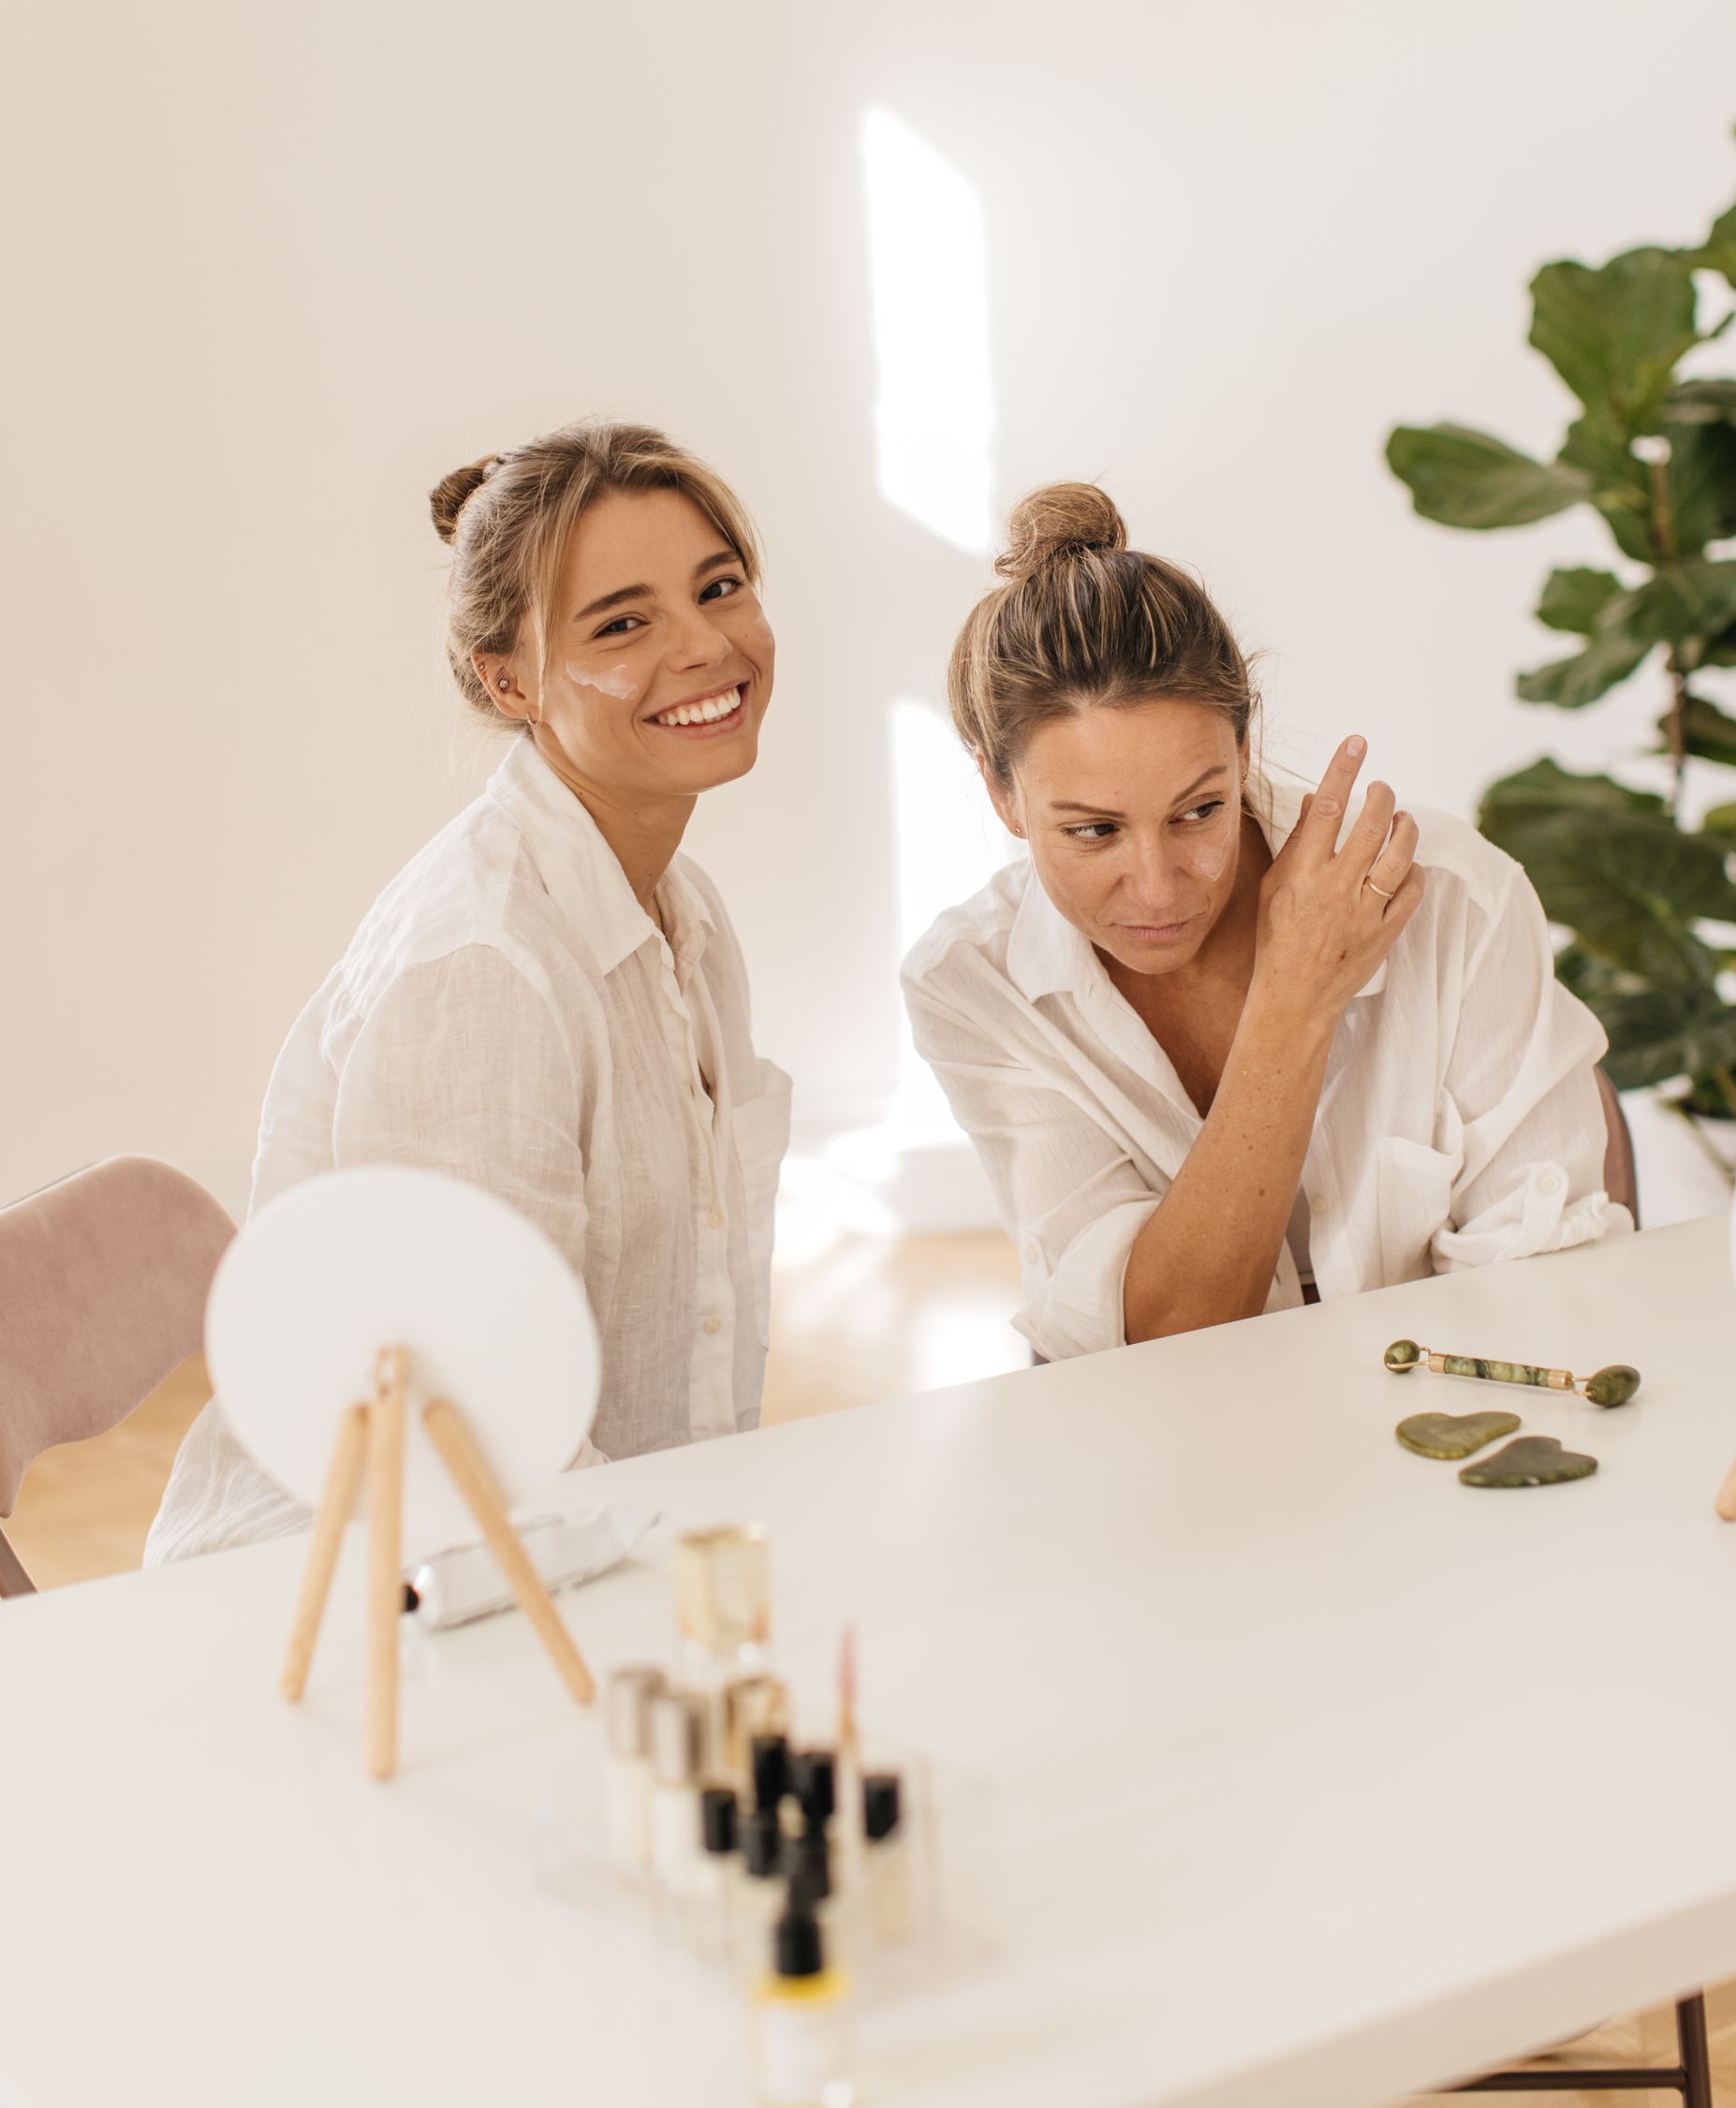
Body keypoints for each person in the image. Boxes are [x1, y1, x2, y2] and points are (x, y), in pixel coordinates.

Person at [147, 420, 789, 1559]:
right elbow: (479, 1444)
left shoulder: (681, 914)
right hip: (378, 1589)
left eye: (720, 586)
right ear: (511, 680)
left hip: (575, 1553)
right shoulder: (485, 968)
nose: (705, 645)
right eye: (624, 621)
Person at [902, 482, 1628, 1362]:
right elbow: (1155, 1335)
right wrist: (1292, 1004)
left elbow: (1548, 1295)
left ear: (1243, 752)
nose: (1159, 888)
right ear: (1001, 794)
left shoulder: (1453, 899)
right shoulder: (974, 985)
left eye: (1198, 811)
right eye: (1093, 831)